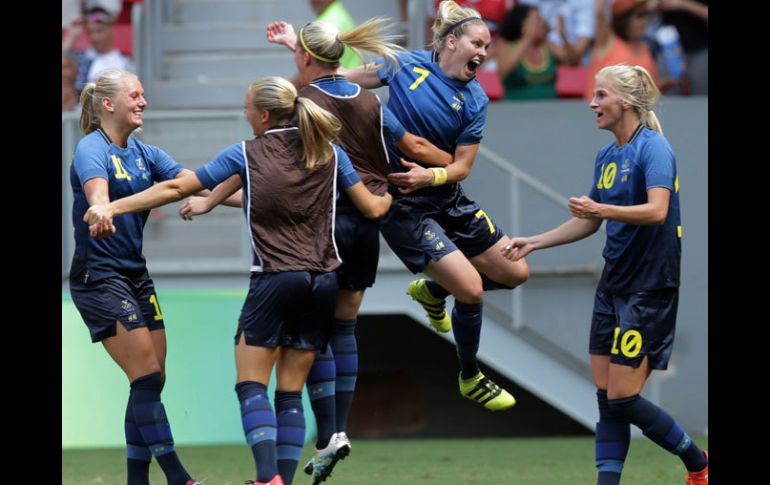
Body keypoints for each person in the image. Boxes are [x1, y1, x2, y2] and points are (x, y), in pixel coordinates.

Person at [184, 17, 455, 484]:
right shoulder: (369, 101)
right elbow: (411, 143)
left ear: (305, 59)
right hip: (367, 220)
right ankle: (335, 430)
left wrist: (208, 198)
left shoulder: (302, 103)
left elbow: (256, 158)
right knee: (342, 327)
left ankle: (299, 451)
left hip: (319, 228)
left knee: (291, 354)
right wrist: (446, 166)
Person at [84, 76, 393, 485]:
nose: (244, 113)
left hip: (274, 280)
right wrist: (390, 195)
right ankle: (284, 476)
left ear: (262, 115)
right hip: (323, 282)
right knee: (289, 391)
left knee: (251, 386)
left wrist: (112, 208)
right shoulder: (330, 153)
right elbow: (372, 207)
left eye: (247, 107)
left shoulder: (247, 152)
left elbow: (179, 184)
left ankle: (266, 478)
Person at [501, 64, 708, 485]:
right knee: (607, 400)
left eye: (601, 95)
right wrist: (534, 242)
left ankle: (697, 461)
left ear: (626, 102)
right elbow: (589, 221)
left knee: (622, 398)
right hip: (613, 285)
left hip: (649, 288)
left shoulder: (654, 149)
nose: (591, 103)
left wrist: (602, 210)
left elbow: (657, 211)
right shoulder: (607, 155)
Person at [339, 0, 531, 412]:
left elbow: (462, 167)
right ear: (450, 41)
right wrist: (296, 47)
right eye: (477, 43)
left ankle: (431, 290)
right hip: (403, 205)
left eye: (487, 46)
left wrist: (434, 173)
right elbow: (341, 80)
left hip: (445, 195)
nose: (483, 53)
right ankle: (470, 376)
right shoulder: (404, 65)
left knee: (516, 272)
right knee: (472, 288)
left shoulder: (476, 99)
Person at [68, 68, 202, 485]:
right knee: (145, 373)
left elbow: (191, 184)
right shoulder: (91, 148)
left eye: (144, 94)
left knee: (151, 381)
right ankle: (179, 478)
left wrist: (253, 196)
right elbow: (97, 194)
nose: (144, 102)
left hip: (136, 276)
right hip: (99, 277)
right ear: (109, 104)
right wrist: (101, 209)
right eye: (136, 95)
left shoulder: (145, 153)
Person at [584, 0, 660, 99]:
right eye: (639, 16)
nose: (644, 21)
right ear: (624, 19)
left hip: (637, 112)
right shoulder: (608, 41)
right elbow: (599, 11)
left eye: (645, 15)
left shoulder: (645, 49)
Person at [496, 3, 558, 100]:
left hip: (551, 111)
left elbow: (572, 60)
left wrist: (563, 36)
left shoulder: (547, 46)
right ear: (523, 24)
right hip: (516, 111)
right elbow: (504, 71)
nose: (543, 23)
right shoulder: (506, 45)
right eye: (537, 20)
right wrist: (527, 38)